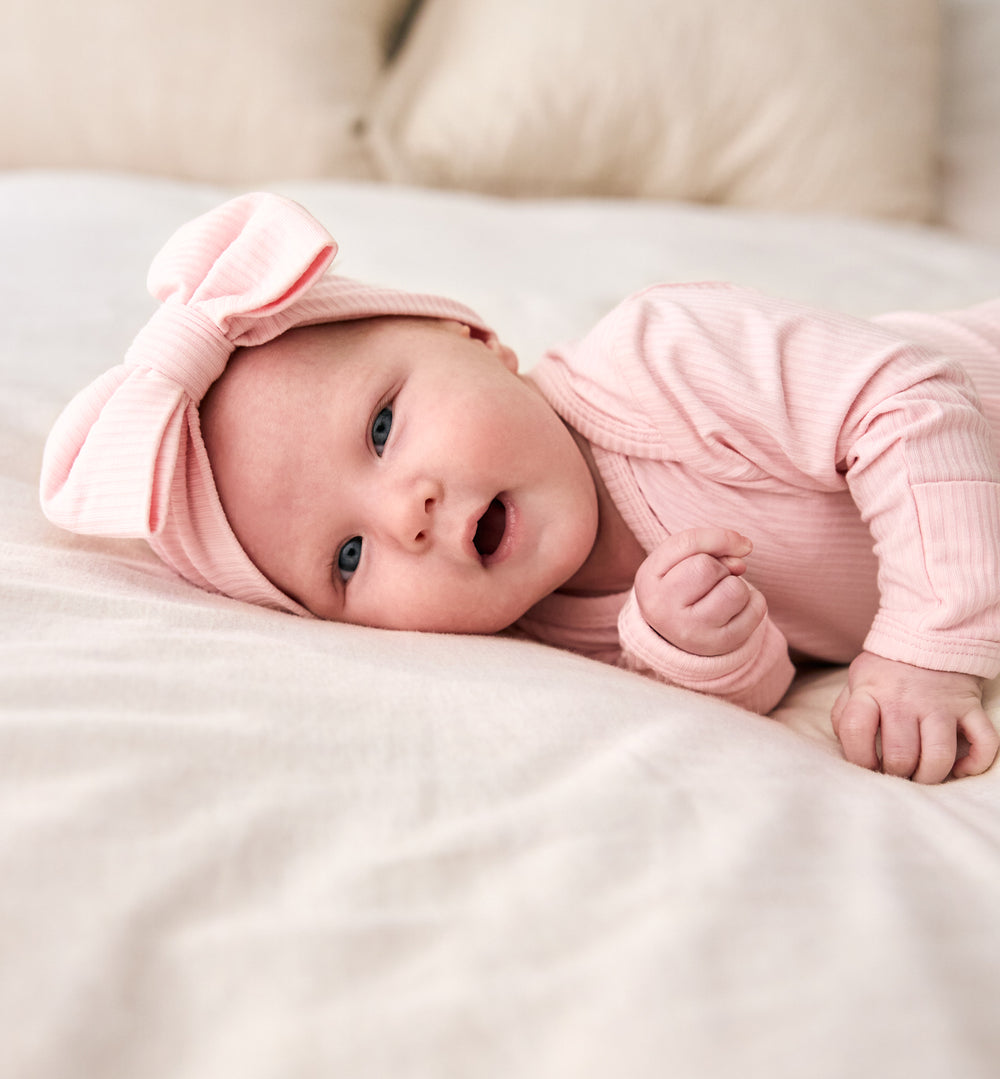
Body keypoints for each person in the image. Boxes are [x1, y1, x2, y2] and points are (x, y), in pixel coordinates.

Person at [40, 193, 1000, 784]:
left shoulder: (661, 358)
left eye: (380, 428)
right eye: (346, 558)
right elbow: (780, 676)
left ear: (478, 343)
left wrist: (927, 646)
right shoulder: (544, 626)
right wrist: (702, 651)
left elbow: (911, 404)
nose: (402, 515)